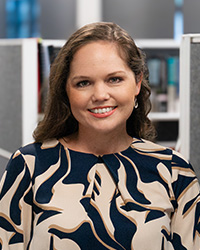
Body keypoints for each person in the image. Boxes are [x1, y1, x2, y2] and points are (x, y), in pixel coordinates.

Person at [0, 22, 199, 250]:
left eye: (114, 79)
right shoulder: (29, 166)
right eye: (83, 83)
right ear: (66, 91)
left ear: (137, 82)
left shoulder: (174, 171)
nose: (100, 95)